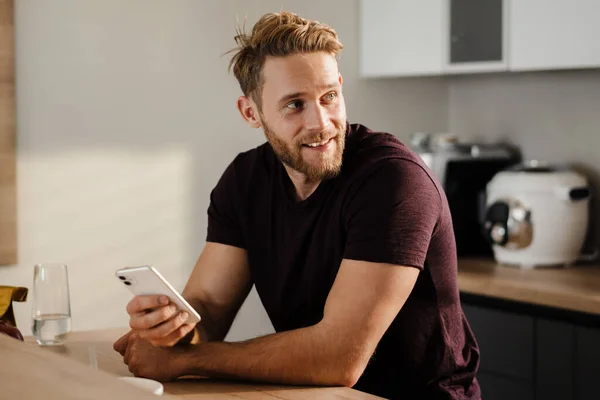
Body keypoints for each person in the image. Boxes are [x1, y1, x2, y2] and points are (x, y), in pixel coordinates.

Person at [114, 11, 481, 399]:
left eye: (329, 97)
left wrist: (187, 360)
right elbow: (209, 307)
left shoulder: (394, 181)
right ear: (250, 112)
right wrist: (174, 329)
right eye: (295, 105)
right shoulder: (244, 182)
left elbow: (340, 357)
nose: (321, 122)